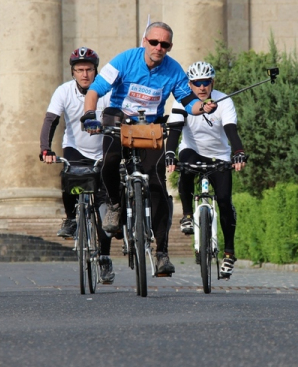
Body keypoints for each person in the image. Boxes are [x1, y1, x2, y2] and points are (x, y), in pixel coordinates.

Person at [80, 21, 216, 276]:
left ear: (170, 47)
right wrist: (89, 115)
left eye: (164, 44)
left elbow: (189, 102)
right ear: (145, 41)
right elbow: (95, 90)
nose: (158, 47)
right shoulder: (124, 60)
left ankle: (161, 253)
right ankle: (114, 205)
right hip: (118, 118)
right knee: (109, 161)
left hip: (149, 127)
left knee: (158, 186)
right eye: (154, 42)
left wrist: (204, 105)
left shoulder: (174, 70)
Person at [165, 61, 248, 279]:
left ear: (212, 82)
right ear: (189, 84)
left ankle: (229, 253)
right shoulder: (181, 100)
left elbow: (231, 130)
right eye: (196, 83)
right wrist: (170, 154)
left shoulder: (224, 101)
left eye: (206, 83)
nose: (201, 87)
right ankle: (187, 215)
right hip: (192, 150)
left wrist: (238, 151)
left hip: (218, 155)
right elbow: (174, 131)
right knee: (185, 168)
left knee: (224, 201)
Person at [39, 47, 114, 283]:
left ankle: (104, 258)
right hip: (76, 149)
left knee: (105, 210)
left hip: (103, 151)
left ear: (95, 71)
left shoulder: (107, 92)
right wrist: (45, 148)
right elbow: (51, 120)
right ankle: (71, 218)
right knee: (68, 174)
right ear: (73, 72)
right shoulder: (63, 91)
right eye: (80, 70)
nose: (85, 74)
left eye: (89, 69)